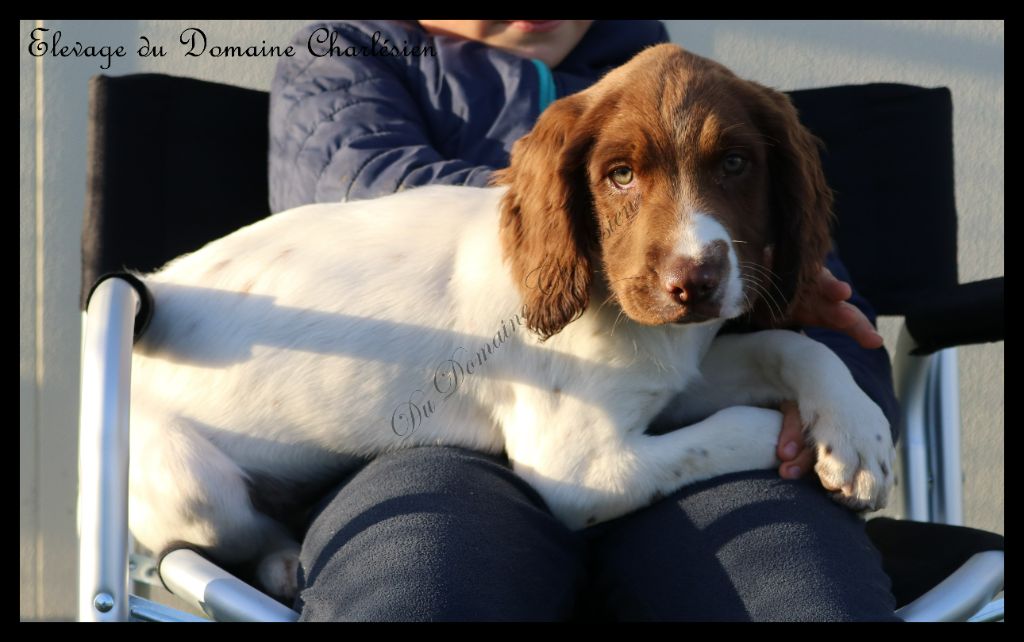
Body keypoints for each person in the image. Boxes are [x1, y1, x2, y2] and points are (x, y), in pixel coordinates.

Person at [268, 19, 901, 621]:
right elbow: (363, 204)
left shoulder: (702, 92)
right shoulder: (349, 59)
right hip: (427, 449)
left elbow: (817, 290)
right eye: (621, 172)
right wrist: (564, 202)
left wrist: (827, 398)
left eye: (732, 165)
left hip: (686, 441)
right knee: (426, 581)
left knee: (797, 585)